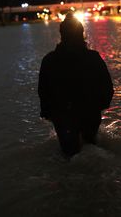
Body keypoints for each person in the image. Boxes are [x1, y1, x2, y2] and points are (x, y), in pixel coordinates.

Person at [38, 13, 114, 158]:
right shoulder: (94, 57)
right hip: (90, 113)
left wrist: (48, 113)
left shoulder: (49, 60)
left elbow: (43, 92)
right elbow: (107, 87)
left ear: (61, 34)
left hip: (62, 116)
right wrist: (101, 106)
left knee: (68, 157)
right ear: (82, 34)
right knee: (92, 152)